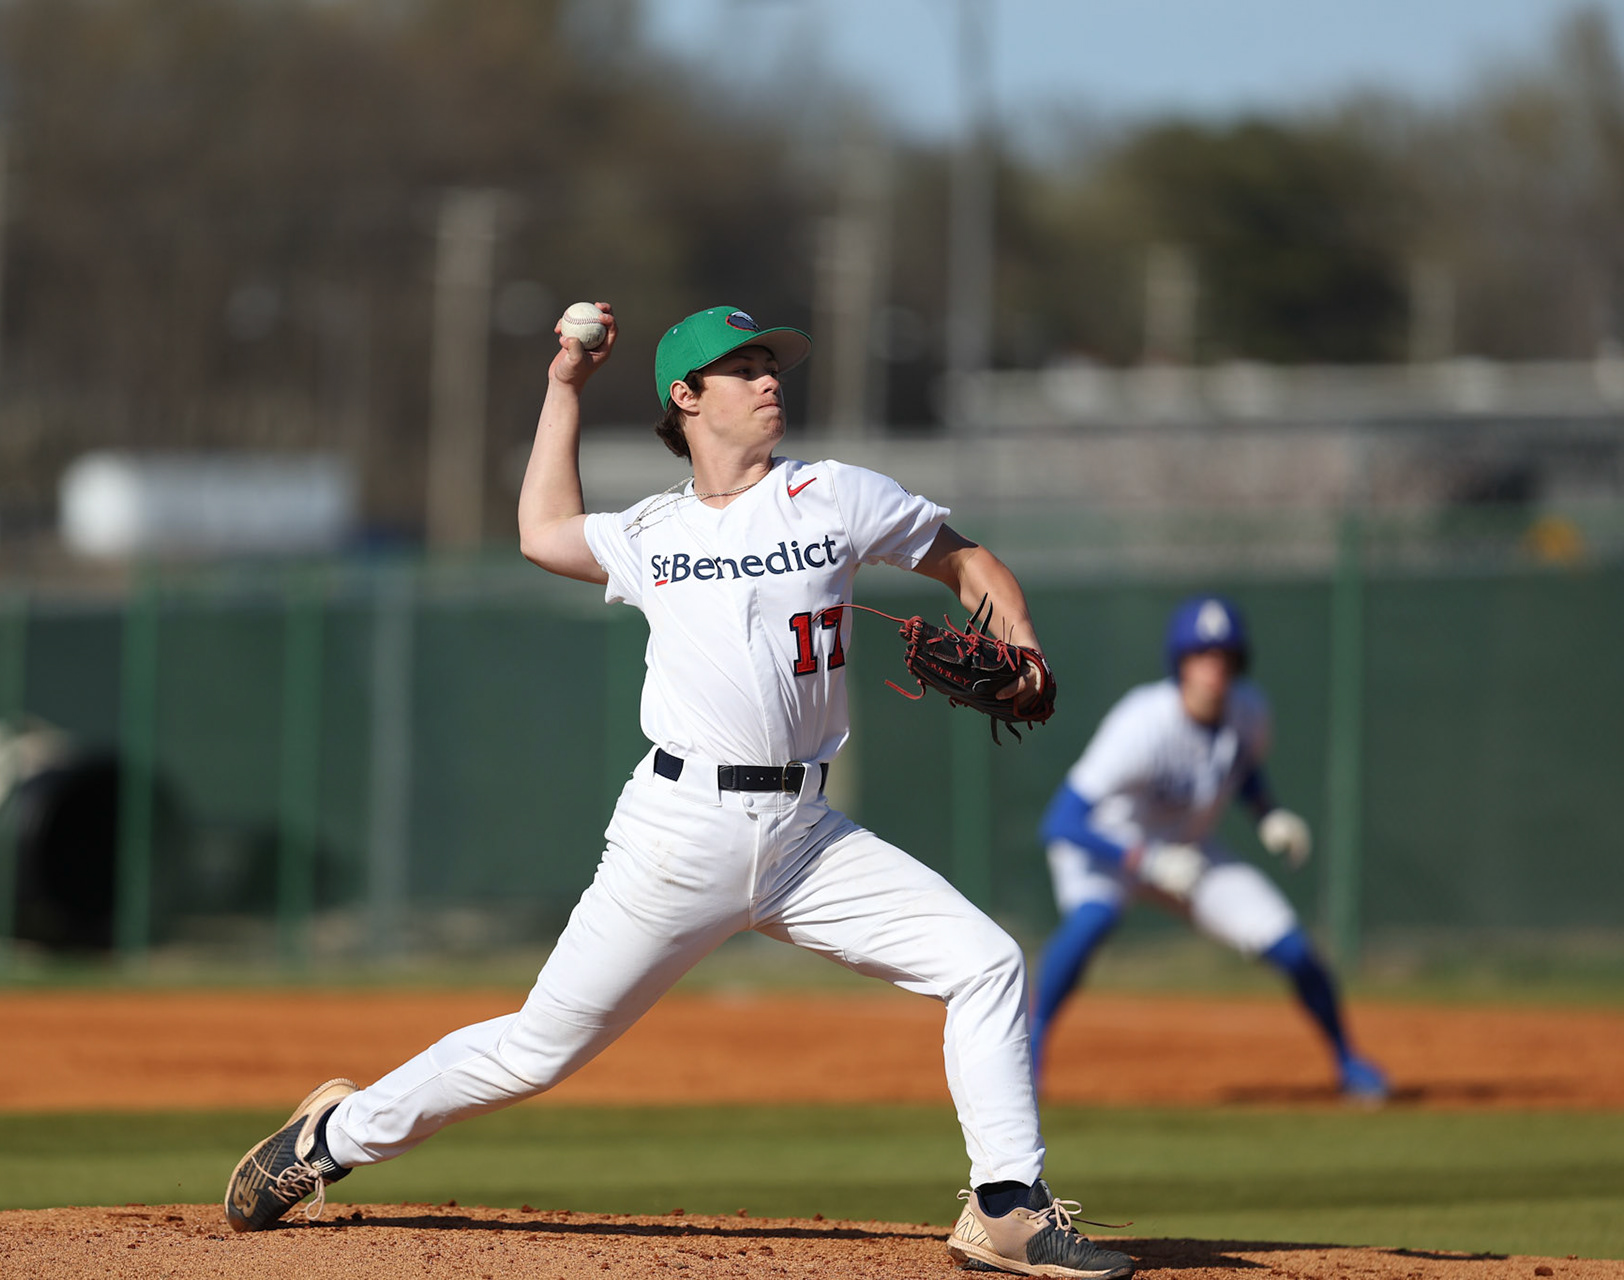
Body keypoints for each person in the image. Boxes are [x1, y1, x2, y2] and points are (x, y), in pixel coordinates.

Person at [223, 303, 1136, 1279]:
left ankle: (1005, 1206)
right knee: (538, 1049)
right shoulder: (653, 530)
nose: (769, 378)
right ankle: (331, 1136)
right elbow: (540, 530)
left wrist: (1023, 642)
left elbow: (966, 560)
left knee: (986, 960)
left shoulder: (836, 492)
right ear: (687, 397)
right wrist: (564, 385)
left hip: (805, 837)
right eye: (743, 367)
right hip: (679, 829)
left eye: (771, 363)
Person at [1029, 595, 1389, 1103]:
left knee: (1293, 949)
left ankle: (1347, 1061)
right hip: (1109, 844)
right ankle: (1031, 1045)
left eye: (1225, 658)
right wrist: (1144, 860)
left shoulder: (1250, 711)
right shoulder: (1142, 721)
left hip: (1191, 852)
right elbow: (1062, 820)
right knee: (1093, 920)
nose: (1213, 670)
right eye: (1202, 656)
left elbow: (1238, 767)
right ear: (1180, 663)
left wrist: (1268, 814)